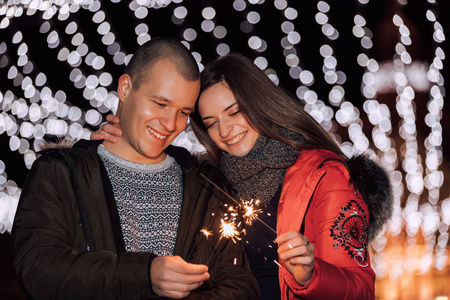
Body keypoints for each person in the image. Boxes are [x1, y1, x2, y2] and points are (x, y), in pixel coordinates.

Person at [94, 53, 393, 299]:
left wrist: (311, 274)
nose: (225, 131)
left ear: (259, 102)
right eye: (211, 122)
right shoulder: (211, 181)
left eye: (234, 112)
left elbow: (362, 289)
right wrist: (122, 143)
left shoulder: (325, 176)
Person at [12, 39, 260, 300]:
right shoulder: (58, 173)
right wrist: (144, 274)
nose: (170, 124)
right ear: (125, 88)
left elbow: (240, 286)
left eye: (183, 112)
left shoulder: (206, 186)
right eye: (160, 103)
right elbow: (38, 270)